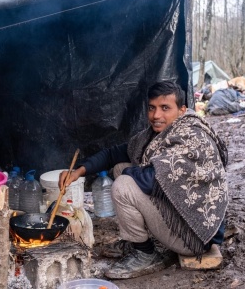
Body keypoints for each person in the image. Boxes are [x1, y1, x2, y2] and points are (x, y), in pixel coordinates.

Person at [59, 80, 228, 279]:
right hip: (181, 218)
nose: (156, 116)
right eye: (152, 108)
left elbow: (150, 180)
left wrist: (128, 175)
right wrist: (79, 171)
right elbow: (114, 153)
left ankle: (145, 253)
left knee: (123, 183)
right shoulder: (158, 134)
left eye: (165, 108)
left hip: (193, 237)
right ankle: (140, 241)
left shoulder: (191, 137)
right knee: (122, 167)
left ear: (182, 110)